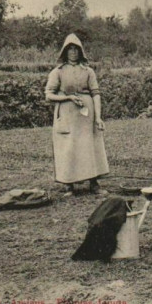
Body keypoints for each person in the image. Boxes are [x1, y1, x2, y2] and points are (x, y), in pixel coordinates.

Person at [45, 33, 109, 196]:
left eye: (76, 49)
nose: (73, 52)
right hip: (67, 114)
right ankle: (69, 185)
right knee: (69, 147)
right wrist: (68, 97)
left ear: (80, 52)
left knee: (89, 146)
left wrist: (98, 117)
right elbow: (49, 95)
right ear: (65, 52)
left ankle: (94, 183)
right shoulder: (58, 72)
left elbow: (96, 93)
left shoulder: (88, 71)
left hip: (86, 116)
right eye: (70, 49)